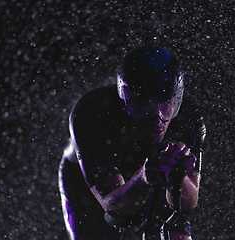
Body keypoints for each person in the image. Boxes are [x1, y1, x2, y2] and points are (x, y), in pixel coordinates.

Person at [58, 46, 206, 240]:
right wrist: (143, 177)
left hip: (149, 174)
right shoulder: (92, 114)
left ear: (177, 100)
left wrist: (178, 178)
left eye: (166, 104)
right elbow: (113, 205)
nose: (157, 118)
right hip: (89, 186)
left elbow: (188, 204)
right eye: (145, 105)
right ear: (125, 100)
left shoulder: (188, 118)